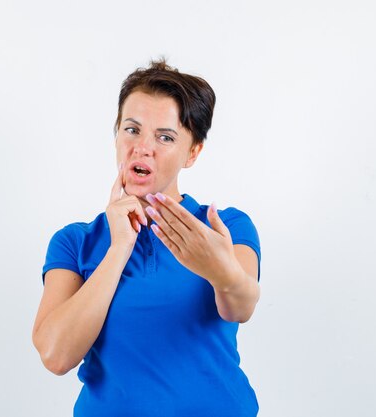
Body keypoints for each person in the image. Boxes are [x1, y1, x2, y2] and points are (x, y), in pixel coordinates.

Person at [32, 59, 262, 417]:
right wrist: (119, 246)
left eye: (165, 137)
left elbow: (241, 306)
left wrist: (221, 271)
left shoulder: (224, 227)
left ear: (193, 152)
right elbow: (56, 355)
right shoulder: (74, 241)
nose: (142, 147)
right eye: (132, 129)